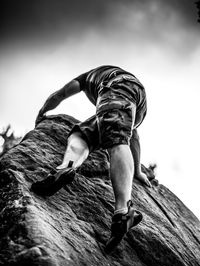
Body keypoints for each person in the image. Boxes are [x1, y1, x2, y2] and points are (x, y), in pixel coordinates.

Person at [32, 65, 152, 252]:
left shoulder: (86, 78)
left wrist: (41, 113)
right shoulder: (115, 87)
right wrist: (137, 171)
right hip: (137, 106)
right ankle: (66, 168)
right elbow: (133, 136)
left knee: (116, 138)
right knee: (82, 134)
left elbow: (59, 95)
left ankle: (123, 211)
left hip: (117, 87)